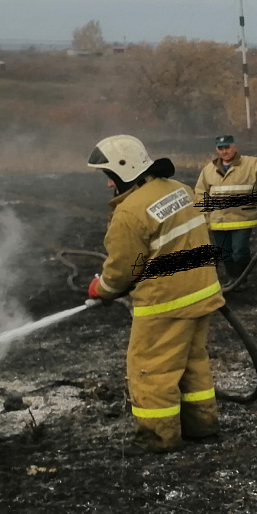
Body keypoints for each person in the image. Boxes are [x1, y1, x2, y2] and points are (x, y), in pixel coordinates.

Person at [86, 135, 225, 452]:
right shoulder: (180, 189)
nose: (109, 186)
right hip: (202, 292)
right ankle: (202, 427)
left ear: (124, 170)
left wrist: (101, 289)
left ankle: (158, 437)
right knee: (192, 363)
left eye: (109, 177)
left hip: (166, 303)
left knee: (151, 370)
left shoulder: (130, 213)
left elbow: (122, 271)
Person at [194, 134, 257, 281]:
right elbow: (200, 192)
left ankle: (241, 279)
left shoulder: (250, 164)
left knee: (239, 251)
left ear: (234, 147)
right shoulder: (209, 170)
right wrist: (205, 216)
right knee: (224, 253)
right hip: (218, 220)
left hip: (242, 218)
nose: (224, 152)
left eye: (227, 147)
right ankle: (234, 278)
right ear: (217, 150)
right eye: (221, 148)